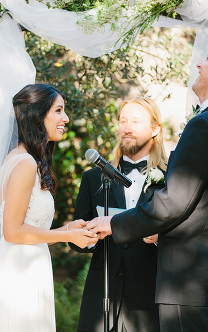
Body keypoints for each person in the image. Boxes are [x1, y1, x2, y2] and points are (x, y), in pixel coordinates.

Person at [87, 35, 208, 332]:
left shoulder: (204, 125)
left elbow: (174, 202)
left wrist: (115, 223)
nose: (199, 63)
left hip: (184, 285)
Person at [0, 83, 98, 331]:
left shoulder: (23, 159)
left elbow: (28, 225)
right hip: (20, 274)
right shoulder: (24, 163)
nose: (65, 118)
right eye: (58, 111)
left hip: (27, 266)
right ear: (38, 115)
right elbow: (12, 231)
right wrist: (66, 235)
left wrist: (68, 227)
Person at [70, 97, 168, 332]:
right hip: (101, 297)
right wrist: (85, 237)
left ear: (155, 129)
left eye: (135, 121)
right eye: (123, 121)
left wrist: (159, 238)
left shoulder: (170, 178)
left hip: (149, 300)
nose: (127, 127)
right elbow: (77, 242)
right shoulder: (93, 178)